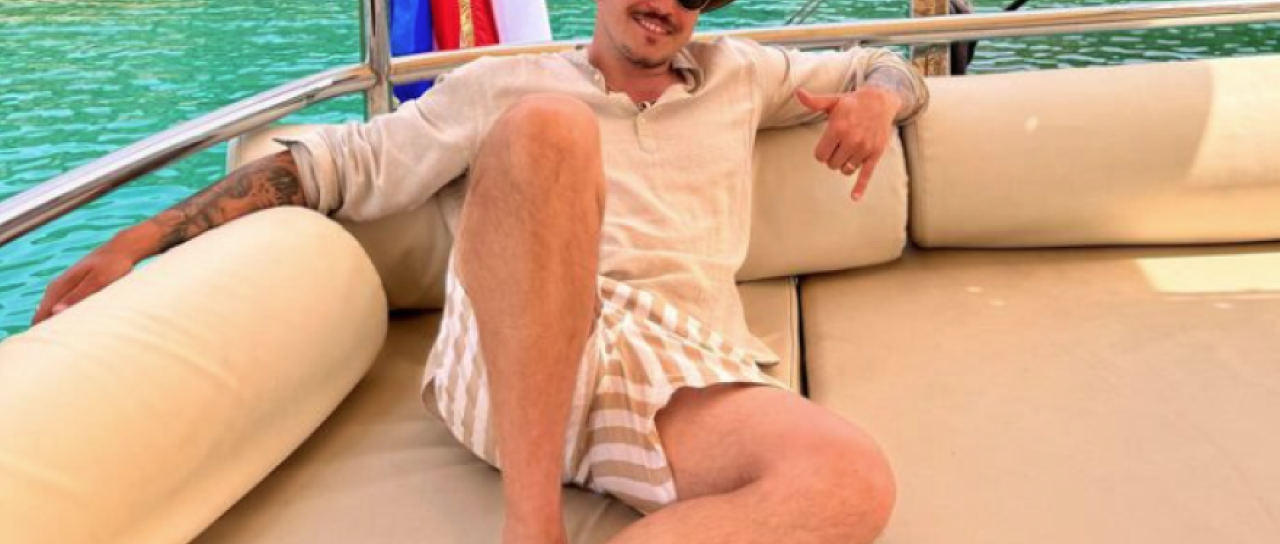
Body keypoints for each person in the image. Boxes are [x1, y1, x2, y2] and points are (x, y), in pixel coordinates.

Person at [34, 0, 929, 542]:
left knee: (851, 480)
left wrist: (875, 101)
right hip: (518, 353)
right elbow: (331, 165)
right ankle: (531, 527)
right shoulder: (501, 83)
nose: (665, 5)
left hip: (673, 363)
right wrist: (145, 236)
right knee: (549, 126)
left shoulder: (744, 75)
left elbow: (890, 62)